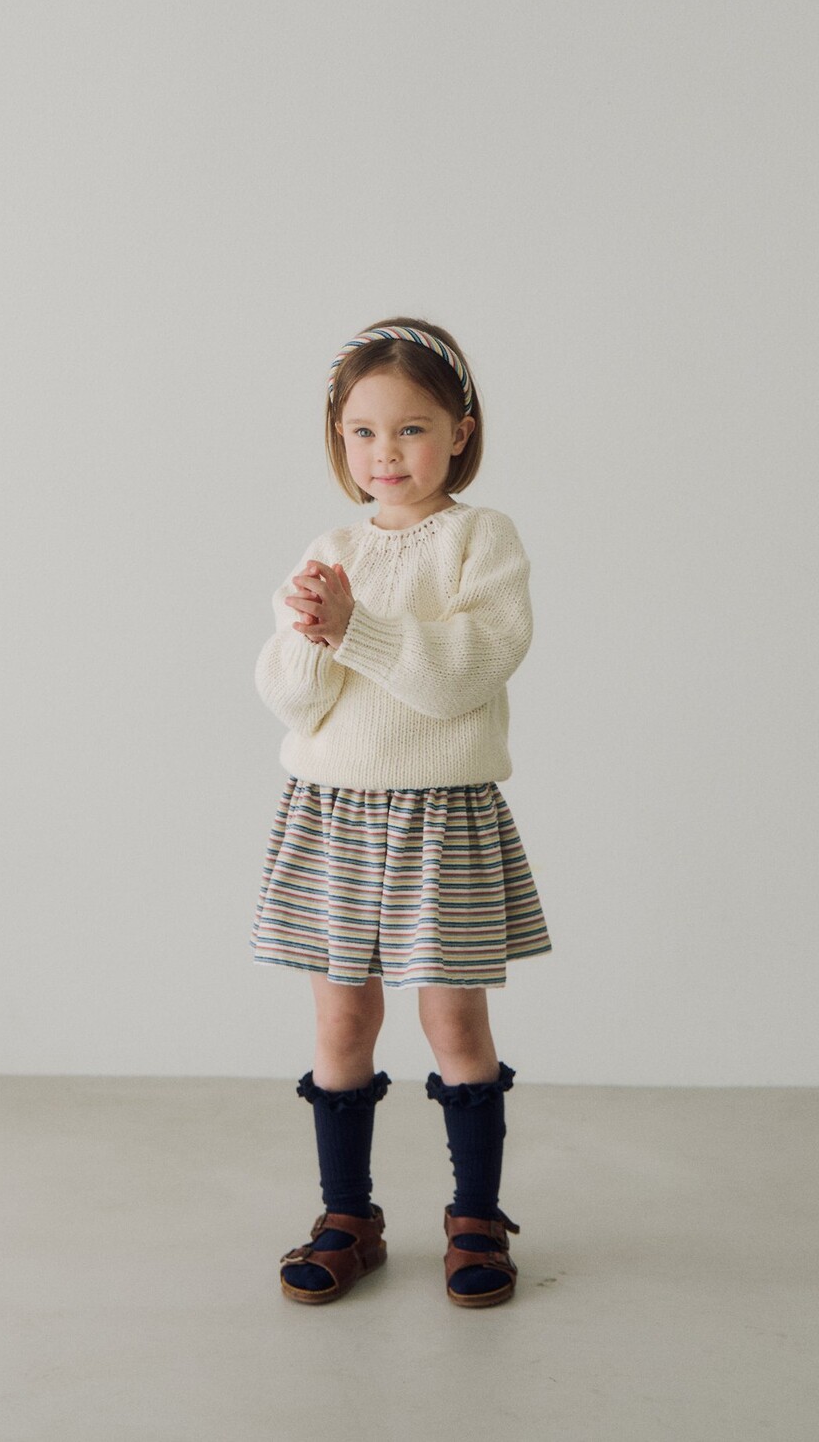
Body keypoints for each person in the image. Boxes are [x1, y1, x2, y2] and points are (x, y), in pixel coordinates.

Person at [251, 317, 551, 1309]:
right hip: (333, 815)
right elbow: (295, 701)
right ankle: (348, 1217)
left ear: (460, 432)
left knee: (451, 1018)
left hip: (440, 817)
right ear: (339, 439)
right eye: (363, 432)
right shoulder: (331, 549)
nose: (386, 453)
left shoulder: (480, 539)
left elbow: (463, 674)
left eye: (411, 429)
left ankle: (476, 1218)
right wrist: (311, 634)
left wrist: (355, 629)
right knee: (342, 1017)